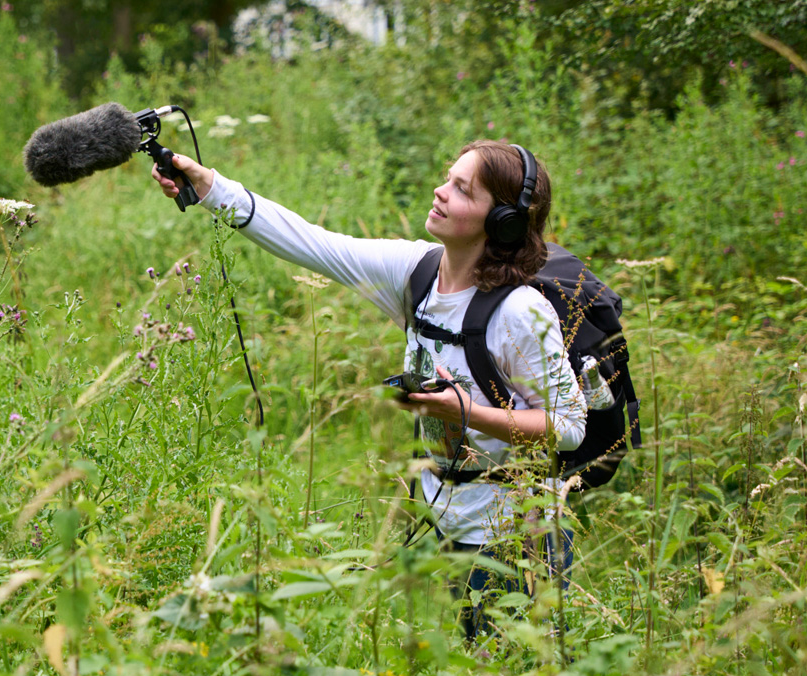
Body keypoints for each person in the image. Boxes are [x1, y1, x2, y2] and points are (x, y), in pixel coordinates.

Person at [151, 140, 586, 638]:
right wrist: (208, 187)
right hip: (450, 522)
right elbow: (311, 243)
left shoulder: (521, 312)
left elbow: (569, 429)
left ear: (503, 221)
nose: (440, 193)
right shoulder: (418, 272)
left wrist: (466, 412)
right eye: (448, 178)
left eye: (462, 190)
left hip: (518, 535)